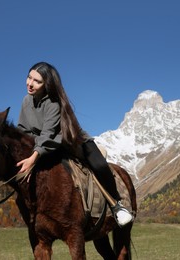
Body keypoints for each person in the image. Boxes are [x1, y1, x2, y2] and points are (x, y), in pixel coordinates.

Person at [16, 62, 133, 227]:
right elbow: (23, 129)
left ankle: (116, 205)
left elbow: (48, 134)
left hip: (73, 142)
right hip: (48, 148)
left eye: (37, 81)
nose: (30, 83)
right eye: (29, 77)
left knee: (99, 165)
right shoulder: (26, 101)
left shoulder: (53, 103)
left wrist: (34, 157)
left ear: (46, 84)